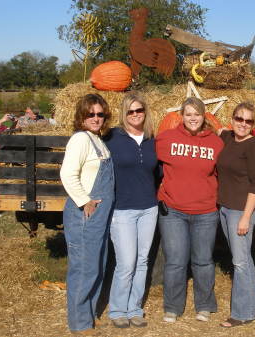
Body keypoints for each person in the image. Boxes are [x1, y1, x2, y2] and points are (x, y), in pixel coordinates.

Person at [156, 97, 224, 323]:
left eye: (197, 114)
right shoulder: (166, 139)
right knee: (175, 261)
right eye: (188, 114)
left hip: (205, 211)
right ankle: (173, 307)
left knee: (203, 260)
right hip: (174, 211)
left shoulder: (216, 143)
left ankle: (204, 305)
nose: (193, 118)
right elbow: (147, 165)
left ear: (204, 116)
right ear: (182, 116)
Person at [60, 94, 114, 336]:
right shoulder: (81, 139)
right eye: (90, 114)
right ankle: (79, 323)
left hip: (100, 215)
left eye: (99, 114)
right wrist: (85, 201)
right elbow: (67, 174)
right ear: (81, 116)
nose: (95, 118)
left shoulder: (97, 140)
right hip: (85, 214)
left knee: (97, 264)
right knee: (83, 268)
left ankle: (89, 313)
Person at [104, 92, 158, 329]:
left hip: (149, 208)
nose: (135, 115)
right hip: (122, 209)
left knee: (143, 260)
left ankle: (135, 308)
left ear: (145, 112)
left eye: (139, 110)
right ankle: (117, 309)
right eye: (131, 111)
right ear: (123, 114)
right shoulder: (112, 138)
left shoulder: (151, 140)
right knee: (126, 262)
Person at [216, 102, 255, 327]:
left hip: (241, 211)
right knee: (244, 258)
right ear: (232, 119)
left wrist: (246, 216)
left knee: (239, 262)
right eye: (239, 119)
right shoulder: (228, 138)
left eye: (248, 121)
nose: (243, 124)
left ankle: (242, 313)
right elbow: (217, 129)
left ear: (253, 124)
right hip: (225, 208)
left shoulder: (253, 147)